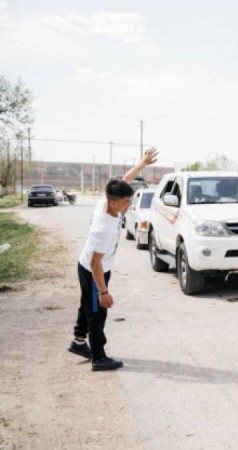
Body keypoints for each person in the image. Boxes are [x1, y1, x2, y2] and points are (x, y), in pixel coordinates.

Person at [68, 148, 159, 371]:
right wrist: (104, 292)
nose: (129, 206)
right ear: (115, 203)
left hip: (91, 266)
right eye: (127, 203)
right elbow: (95, 263)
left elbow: (124, 180)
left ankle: (78, 342)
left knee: (86, 305)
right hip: (93, 270)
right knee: (97, 312)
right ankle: (98, 357)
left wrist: (142, 163)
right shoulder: (103, 227)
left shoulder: (107, 200)